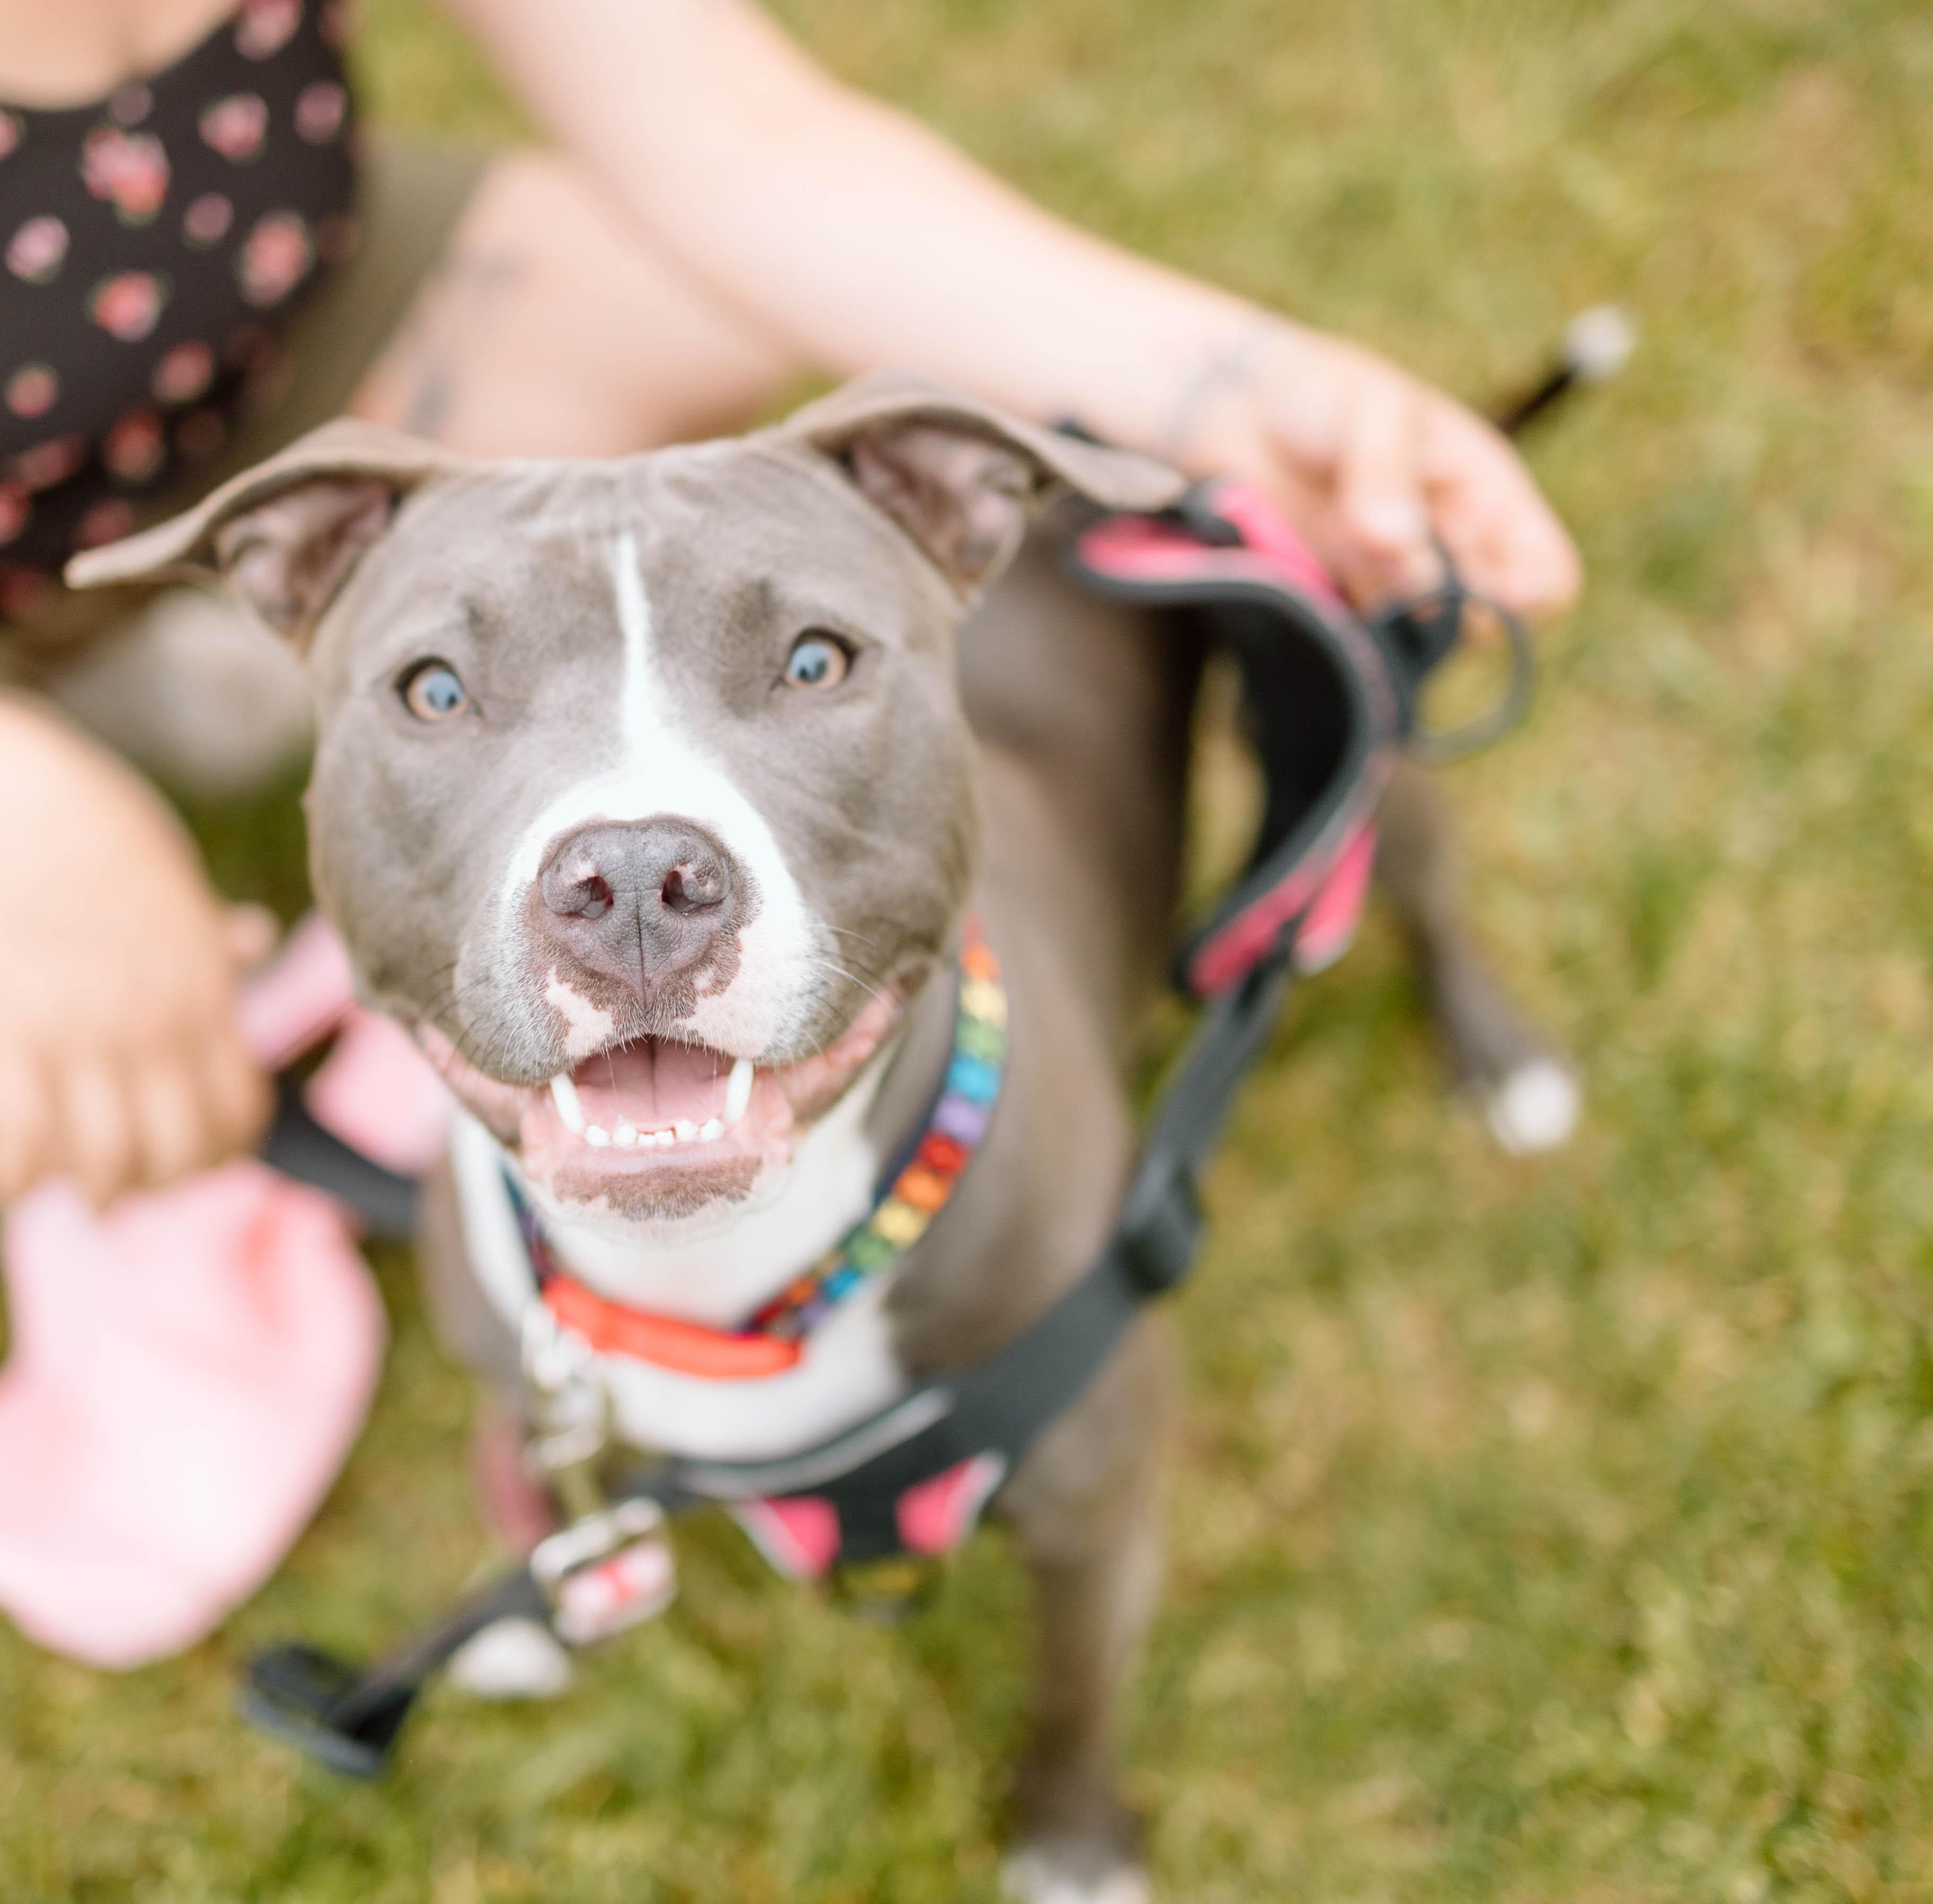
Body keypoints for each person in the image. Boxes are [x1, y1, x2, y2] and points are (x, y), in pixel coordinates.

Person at [0, 0, 1581, 1208]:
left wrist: (1234, 385)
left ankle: (156, 623)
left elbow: (731, 133)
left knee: (680, 299)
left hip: (199, 328)